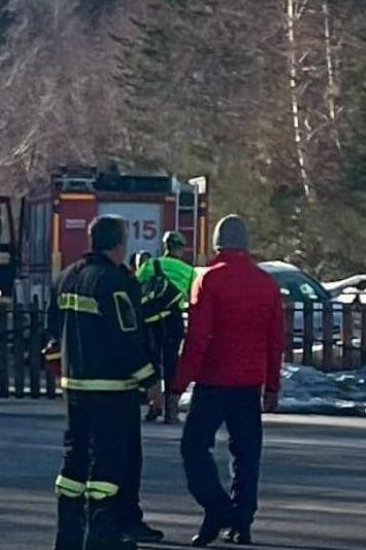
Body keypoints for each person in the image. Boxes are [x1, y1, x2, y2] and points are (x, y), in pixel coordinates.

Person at [172, 216, 284, 547]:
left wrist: (179, 382)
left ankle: (216, 507)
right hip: (249, 383)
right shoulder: (266, 284)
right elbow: (275, 341)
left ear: (218, 244)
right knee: (246, 454)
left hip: (213, 380)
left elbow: (197, 337)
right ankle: (242, 521)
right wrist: (272, 386)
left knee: (194, 447)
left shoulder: (208, 281)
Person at [51, 216, 159, 550]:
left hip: (75, 389)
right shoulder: (115, 282)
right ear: (118, 244)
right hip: (111, 391)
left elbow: (54, 333)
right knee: (108, 465)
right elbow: (126, 338)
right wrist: (150, 381)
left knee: (74, 463)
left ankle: (68, 538)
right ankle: (102, 537)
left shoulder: (66, 277)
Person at [136, 231, 196, 424]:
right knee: (171, 364)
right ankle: (171, 410)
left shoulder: (151, 265)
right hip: (173, 321)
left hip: (150, 320)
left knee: (152, 362)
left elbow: (135, 286)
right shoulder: (189, 271)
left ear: (165, 247)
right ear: (180, 249)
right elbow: (193, 298)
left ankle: (154, 404)